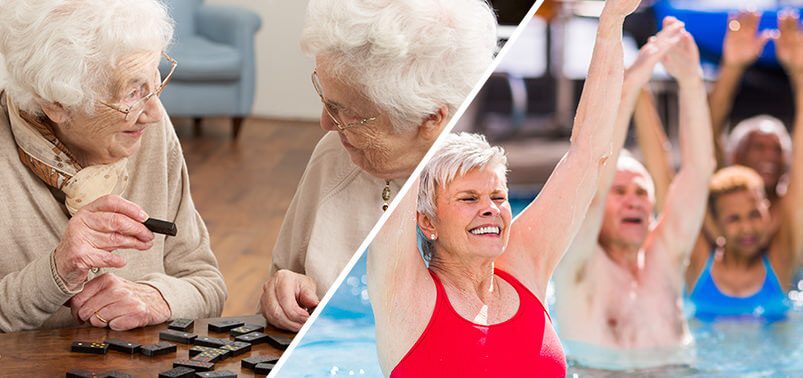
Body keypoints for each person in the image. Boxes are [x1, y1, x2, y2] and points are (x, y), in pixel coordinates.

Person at [367, 0, 642, 375]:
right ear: (427, 221)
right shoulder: (406, 293)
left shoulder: (525, 264)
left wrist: (611, 25)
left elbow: (588, 153)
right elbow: (402, 150)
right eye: (469, 198)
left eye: (498, 197)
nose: (490, 209)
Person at [260, 0, 498, 332]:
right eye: (326, 101)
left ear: (430, 119)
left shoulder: (486, 182)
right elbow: (283, 274)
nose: (326, 123)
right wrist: (282, 289)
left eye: (348, 113)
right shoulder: (335, 156)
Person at [0, 0, 227, 332]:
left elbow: (207, 284)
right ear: (56, 104)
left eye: (156, 81)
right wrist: (57, 271)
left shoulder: (147, 131)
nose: (154, 113)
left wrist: (156, 298)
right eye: (133, 93)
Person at [553, 17, 714, 363]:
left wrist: (690, 80)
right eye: (620, 191)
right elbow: (591, 182)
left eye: (641, 193)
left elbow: (698, 174)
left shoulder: (665, 259)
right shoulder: (577, 265)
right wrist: (631, 84)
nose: (633, 202)